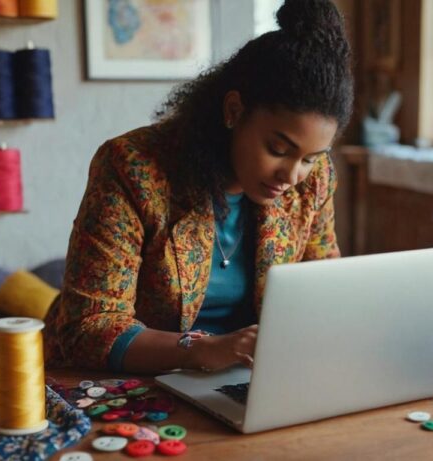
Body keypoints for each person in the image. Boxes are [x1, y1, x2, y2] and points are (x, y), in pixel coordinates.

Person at [43, 0, 354, 374]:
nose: (291, 176)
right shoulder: (133, 168)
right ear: (234, 111)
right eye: (278, 149)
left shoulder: (314, 182)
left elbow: (322, 292)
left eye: (310, 157)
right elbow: (89, 327)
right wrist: (199, 350)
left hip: (249, 380)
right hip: (134, 383)